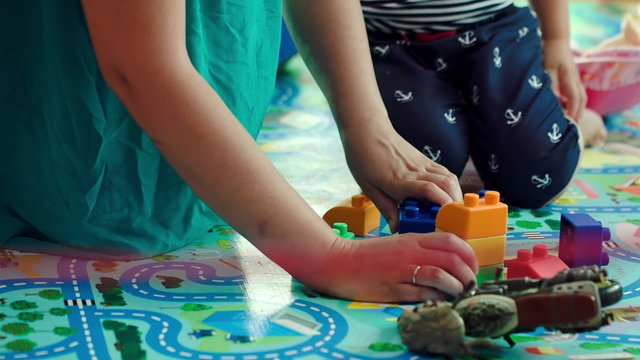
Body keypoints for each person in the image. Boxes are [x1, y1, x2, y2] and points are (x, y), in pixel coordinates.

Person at [0, 0, 478, 303]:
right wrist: (329, 255)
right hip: (75, 153)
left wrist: (369, 127)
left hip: (189, 136)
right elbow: (139, 64)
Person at [361, 0, 608, 209]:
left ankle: (570, 121)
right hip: (389, 44)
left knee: (535, 176)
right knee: (421, 181)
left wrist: (557, 39)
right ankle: (470, 135)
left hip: (497, 31)